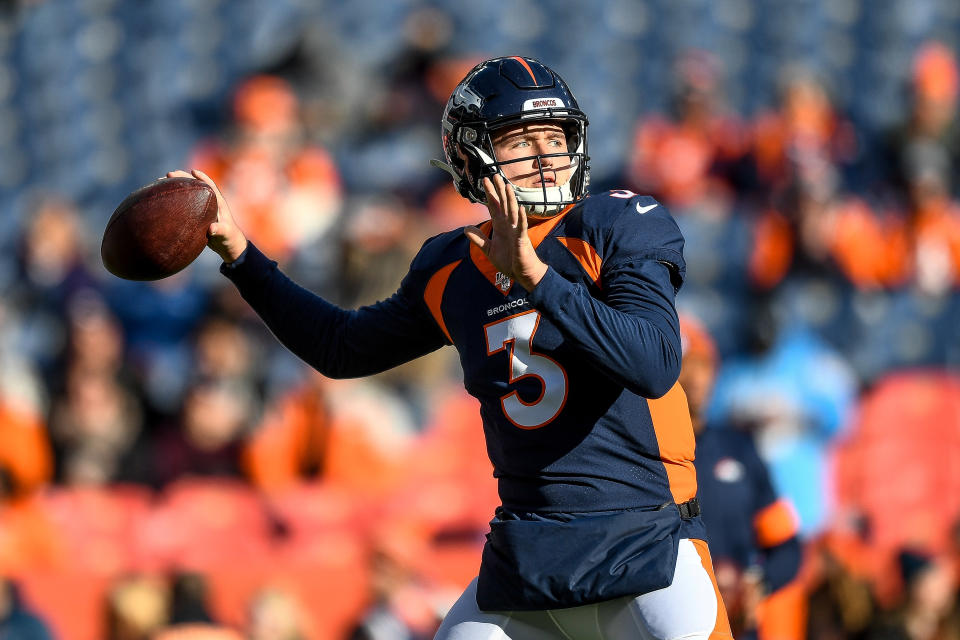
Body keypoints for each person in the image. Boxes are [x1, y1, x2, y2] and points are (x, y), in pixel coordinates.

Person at [168, 55, 730, 640]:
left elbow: (656, 365)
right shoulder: (452, 266)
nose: (543, 156)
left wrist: (538, 279)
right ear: (471, 158)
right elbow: (340, 348)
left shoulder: (618, 222)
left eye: (554, 137)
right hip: (528, 556)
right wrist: (240, 254)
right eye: (520, 140)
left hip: (647, 544)